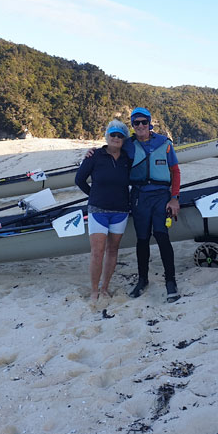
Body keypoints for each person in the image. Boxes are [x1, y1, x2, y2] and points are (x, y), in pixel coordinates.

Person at [125, 107, 181, 303]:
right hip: (140, 197)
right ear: (132, 125)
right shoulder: (128, 145)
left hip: (161, 197)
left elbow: (175, 172)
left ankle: (171, 281)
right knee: (142, 239)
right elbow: (109, 153)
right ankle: (142, 280)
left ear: (150, 123)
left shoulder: (164, 144)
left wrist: (174, 198)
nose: (140, 126)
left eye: (143, 122)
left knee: (161, 236)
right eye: (136, 123)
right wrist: (92, 153)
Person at [74, 119, 132, 303]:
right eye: (112, 135)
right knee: (97, 252)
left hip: (120, 211)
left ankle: (105, 287)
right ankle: (94, 291)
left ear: (124, 139)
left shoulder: (127, 158)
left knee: (112, 250)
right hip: (98, 210)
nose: (116, 138)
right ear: (107, 136)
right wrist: (93, 196)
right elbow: (79, 180)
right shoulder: (95, 156)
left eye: (120, 135)